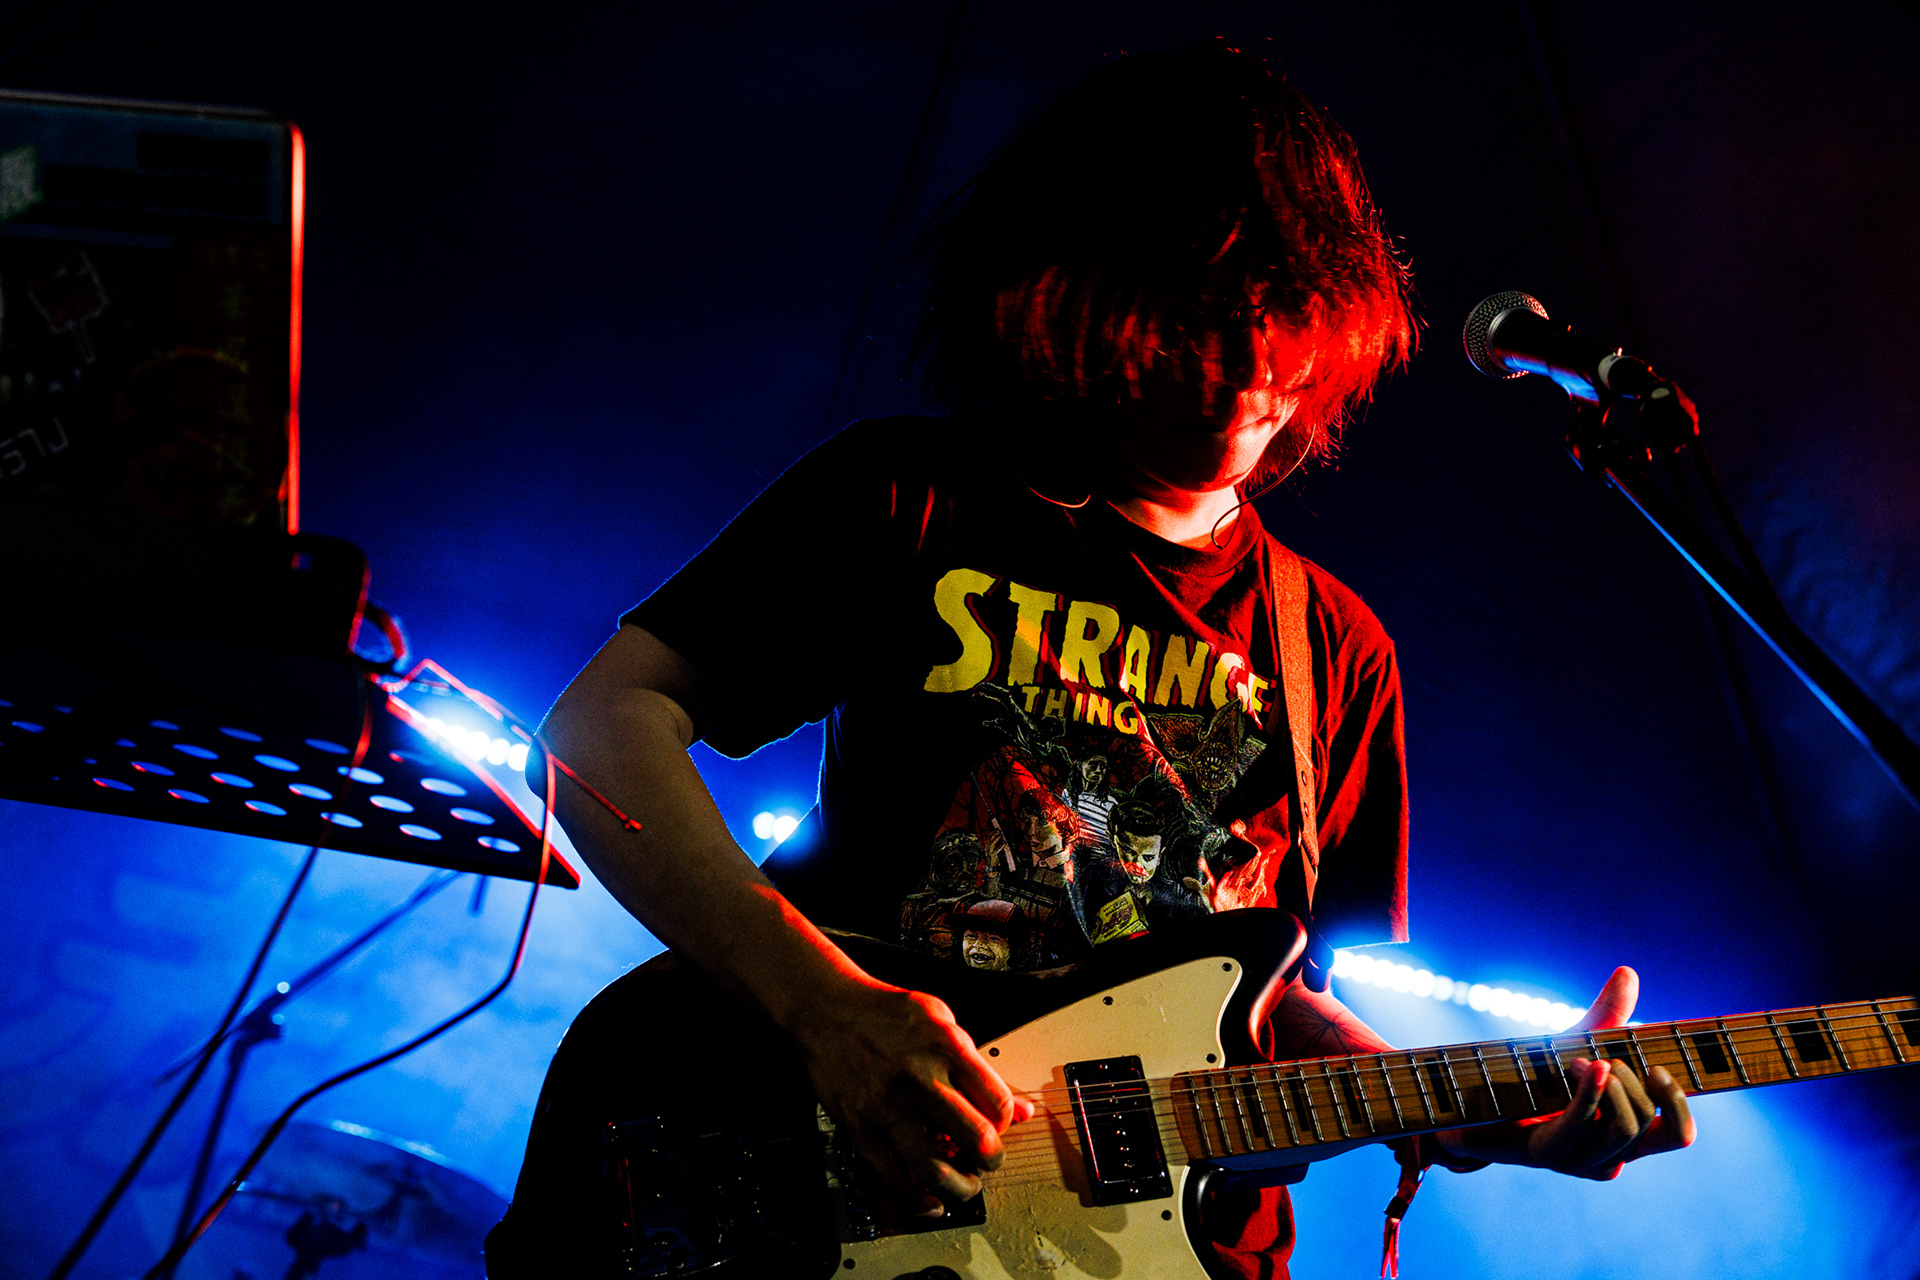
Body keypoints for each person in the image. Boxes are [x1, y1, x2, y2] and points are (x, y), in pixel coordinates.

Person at [497, 43, 1695, 1278]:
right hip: (801, 1175)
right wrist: (822, 1006)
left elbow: (1269, 1004)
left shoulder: (1336, 645)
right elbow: (599, 725)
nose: (1240, 367)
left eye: (1275, 319)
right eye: (1195, 315)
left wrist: (1474, 1110)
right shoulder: (913, 498)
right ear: (1080, 296)